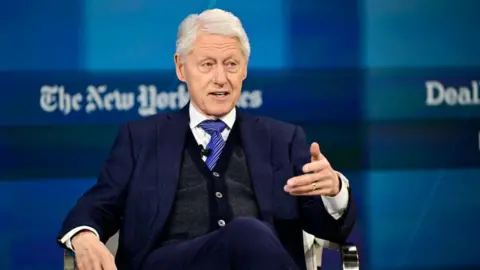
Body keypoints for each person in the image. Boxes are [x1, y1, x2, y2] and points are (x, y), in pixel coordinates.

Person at [57, 8, 356, 270]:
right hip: (168, 262)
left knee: (251, 236)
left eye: (231, 64)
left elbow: (329, 230)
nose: (221, 79)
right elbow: (99, 204)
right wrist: (84, 236)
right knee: (247, 233)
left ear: (245, 71)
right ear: (180, 67)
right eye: (207, 64)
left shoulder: (282, 139)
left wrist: (334, 192)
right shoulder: (141, 138)